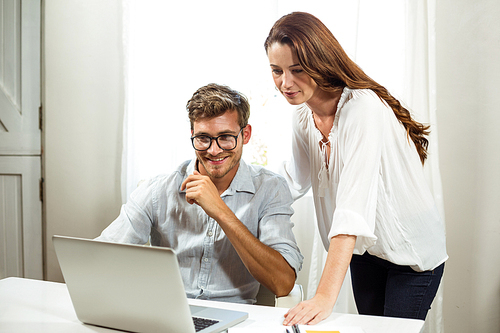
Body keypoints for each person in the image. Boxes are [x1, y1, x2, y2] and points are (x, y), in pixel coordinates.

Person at [264, 12, 448, 325]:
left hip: (412, 257)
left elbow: (352, 208)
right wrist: (233, 185)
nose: (286, 82)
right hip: (366, 254)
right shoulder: (303, 117)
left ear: (320, 61)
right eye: (276, 71)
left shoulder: (363, 109)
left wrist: (323, 296)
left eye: (296, 69)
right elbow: (294, 180)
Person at [96, 83, 303, 304]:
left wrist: (221, 211)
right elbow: (100, 259)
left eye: (225, 137)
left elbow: (282, 283)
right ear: (192, 134)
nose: (214, 150)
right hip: (167, 314)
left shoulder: (271, 189)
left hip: (236, 318)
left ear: (246, 134)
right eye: (203, 138)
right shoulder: (158, 189)